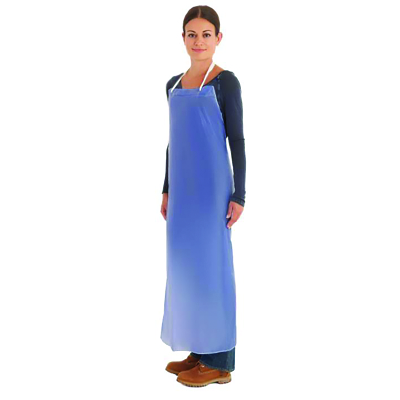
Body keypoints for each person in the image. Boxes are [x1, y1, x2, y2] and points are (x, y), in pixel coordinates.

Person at [160, 5, 246, 388]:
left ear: (218, 38)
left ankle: (220, 362)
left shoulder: (226, 83)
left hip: (212, 192)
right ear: (183, 38)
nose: (199, 41)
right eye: (192, 34)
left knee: (213, 269)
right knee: (187, 268)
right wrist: (166, 188)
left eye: (206, 34)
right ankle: (199, 349)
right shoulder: (173, 85)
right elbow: (173, 141)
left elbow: (237, 140)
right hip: (182, 193)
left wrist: (239, 194)